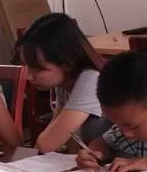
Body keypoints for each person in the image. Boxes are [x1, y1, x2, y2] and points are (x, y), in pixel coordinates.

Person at [15, 12, 109, 152]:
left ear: (66, 63)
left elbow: (47, 144)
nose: (28, 76)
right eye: (27, 66)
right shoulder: (64, 81)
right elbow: (52, 140)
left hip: (122, 162)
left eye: (37, 69)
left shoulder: (92, 80)